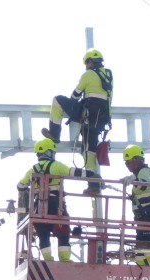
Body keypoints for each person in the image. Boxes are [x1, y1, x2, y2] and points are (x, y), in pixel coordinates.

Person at [42, 49, 113, 191]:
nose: (86, 66)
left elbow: (75, 95)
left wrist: (72, 107)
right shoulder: (109, 76)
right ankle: (93, 185)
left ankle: (54, 133)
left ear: (90, 62)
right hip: (101, 120)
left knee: (57, 100)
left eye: (87, 63)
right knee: (89, 151)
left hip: (87, 115)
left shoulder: (88, 75)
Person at [17, 138, 97, 261]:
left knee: (43, 234)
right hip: (57, 207)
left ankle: (48, 259)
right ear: (50, 152)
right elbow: (73, 172)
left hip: (39, 208)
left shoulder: (32, 170)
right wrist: (91, 174)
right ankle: (64, 259)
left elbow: (20, 186)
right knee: (62, 231)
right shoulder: (57, 166)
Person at [121, 145, 150, 267]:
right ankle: (146, 273)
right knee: (140, 252)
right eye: (126, 163)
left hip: (149, 218)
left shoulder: (145, 172)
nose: (127, 165)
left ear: (136, 159)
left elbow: (143, 184)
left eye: (128, 162)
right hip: (144, 219)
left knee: (149, 249)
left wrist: (133, 179)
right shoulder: (142, 173)